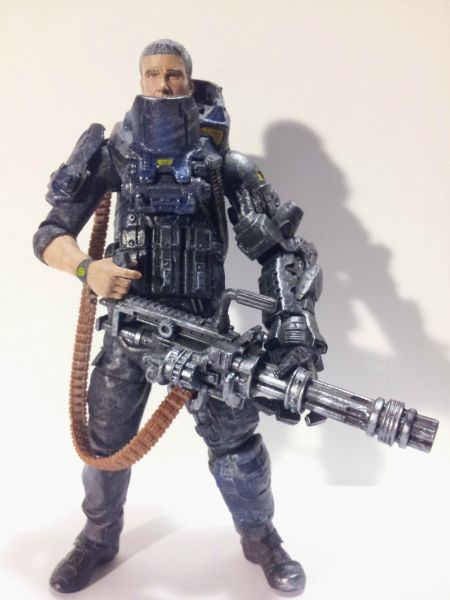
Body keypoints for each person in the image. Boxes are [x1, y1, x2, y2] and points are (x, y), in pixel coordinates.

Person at [33, 39, 327, 595]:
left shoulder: (223, 166)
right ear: (140, 81)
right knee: (105, 446)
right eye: (152, 74)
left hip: (207, 338)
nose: (163, 84)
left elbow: (282, 252)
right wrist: (87, 269)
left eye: (173, 74)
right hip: (129, 333)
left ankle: (260, 538)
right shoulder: (114, 157)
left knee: (237, 447)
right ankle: (97, 538)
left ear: (190, 82)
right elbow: (49, 234)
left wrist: (292, 328)